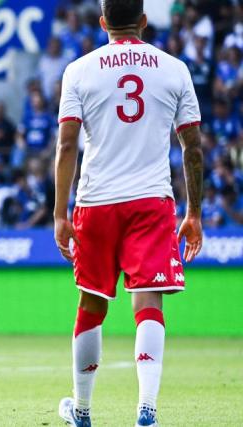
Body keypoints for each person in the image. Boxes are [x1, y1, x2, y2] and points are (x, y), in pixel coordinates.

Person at [53, 2, 204, 427]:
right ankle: (147, 410)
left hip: (96, 202)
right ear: (143, 21)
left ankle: (82, 412)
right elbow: (192, 147)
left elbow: (66, 147)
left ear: (103, 23)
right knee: (148, 302)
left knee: (92, 302)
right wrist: (194, 211)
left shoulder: (79, 70)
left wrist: (59, 213)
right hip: (150, 200)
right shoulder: (174, 69)